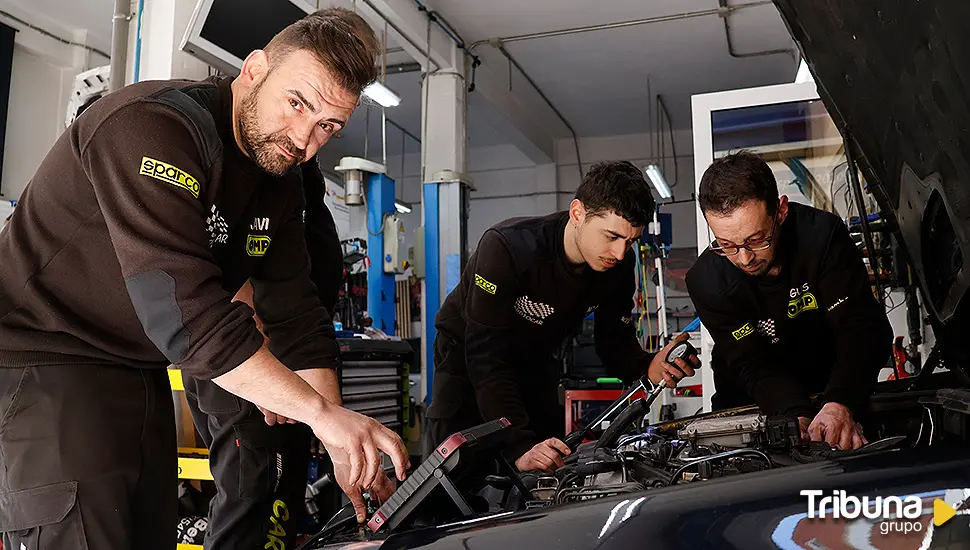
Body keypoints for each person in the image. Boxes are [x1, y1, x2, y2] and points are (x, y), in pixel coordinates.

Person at [0, 8, 408, 550]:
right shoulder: (154, 128)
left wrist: (337, 438)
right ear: (255, 69)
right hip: (44, 350)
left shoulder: (281, 178)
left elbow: (297, 315)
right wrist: (319, 416)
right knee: (83, 532)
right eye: (297, 104)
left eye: (327, 126)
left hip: (134, 365)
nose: (303, 139)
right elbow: (186, 313)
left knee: (148, 534)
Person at [427, 160, 700, 473]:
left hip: (535, 358)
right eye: (611, 236)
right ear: (577, 214)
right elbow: (486, 357)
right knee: (456, 469)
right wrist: (519, 445)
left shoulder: (618, 267)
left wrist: (647, 367)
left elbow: (614, 342)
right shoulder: (507, 248)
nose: (620, 253)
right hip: (467, 356)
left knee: (550, 462)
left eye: (631, 241)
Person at [181, 158, 382, 550]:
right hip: (251, 360)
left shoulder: (296, 165)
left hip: (289, 360)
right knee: (251, 497)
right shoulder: (251, 153)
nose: (317, 135)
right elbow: (223, 267)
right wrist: (259, 354)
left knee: (280, 502)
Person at [685, 151, 893, 451]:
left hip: (835, 388)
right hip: (754, 401)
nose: (744, 258)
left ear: (780, 211)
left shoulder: (822, 238)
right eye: (726, 245)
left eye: (757, 239)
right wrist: (793, 415)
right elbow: (753, 361)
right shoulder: (707, 282)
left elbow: (859, 327)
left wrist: (840, 402)